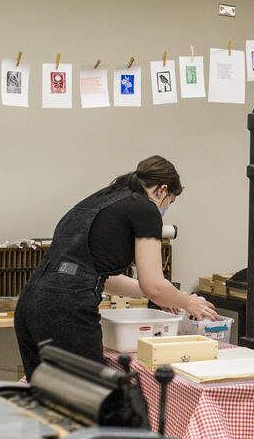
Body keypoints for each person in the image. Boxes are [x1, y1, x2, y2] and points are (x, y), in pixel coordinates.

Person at [16, 155, 219, 379]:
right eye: (169, 202)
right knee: (88, 399)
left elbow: (103, 278)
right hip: (66, 309)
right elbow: (153, 286)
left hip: (32, 301)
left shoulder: (103, 199)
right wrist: (188, 301)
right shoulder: (145, 209)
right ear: (162, 190)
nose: (164, 209)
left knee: (49, 399)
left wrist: (167, 295)